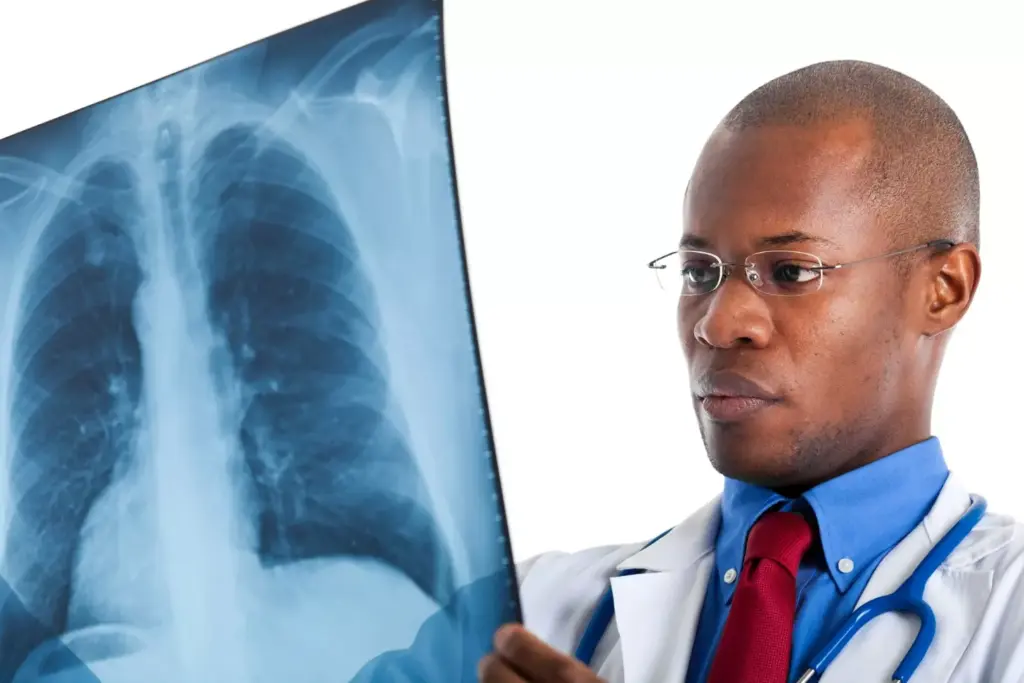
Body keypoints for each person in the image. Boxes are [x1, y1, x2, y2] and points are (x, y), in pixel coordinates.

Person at [354, 60, 1024, 683]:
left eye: (790, 271)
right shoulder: (525, 618)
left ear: (943, 287)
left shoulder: (1010, 607)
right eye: (701, 272)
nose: (717, 321)